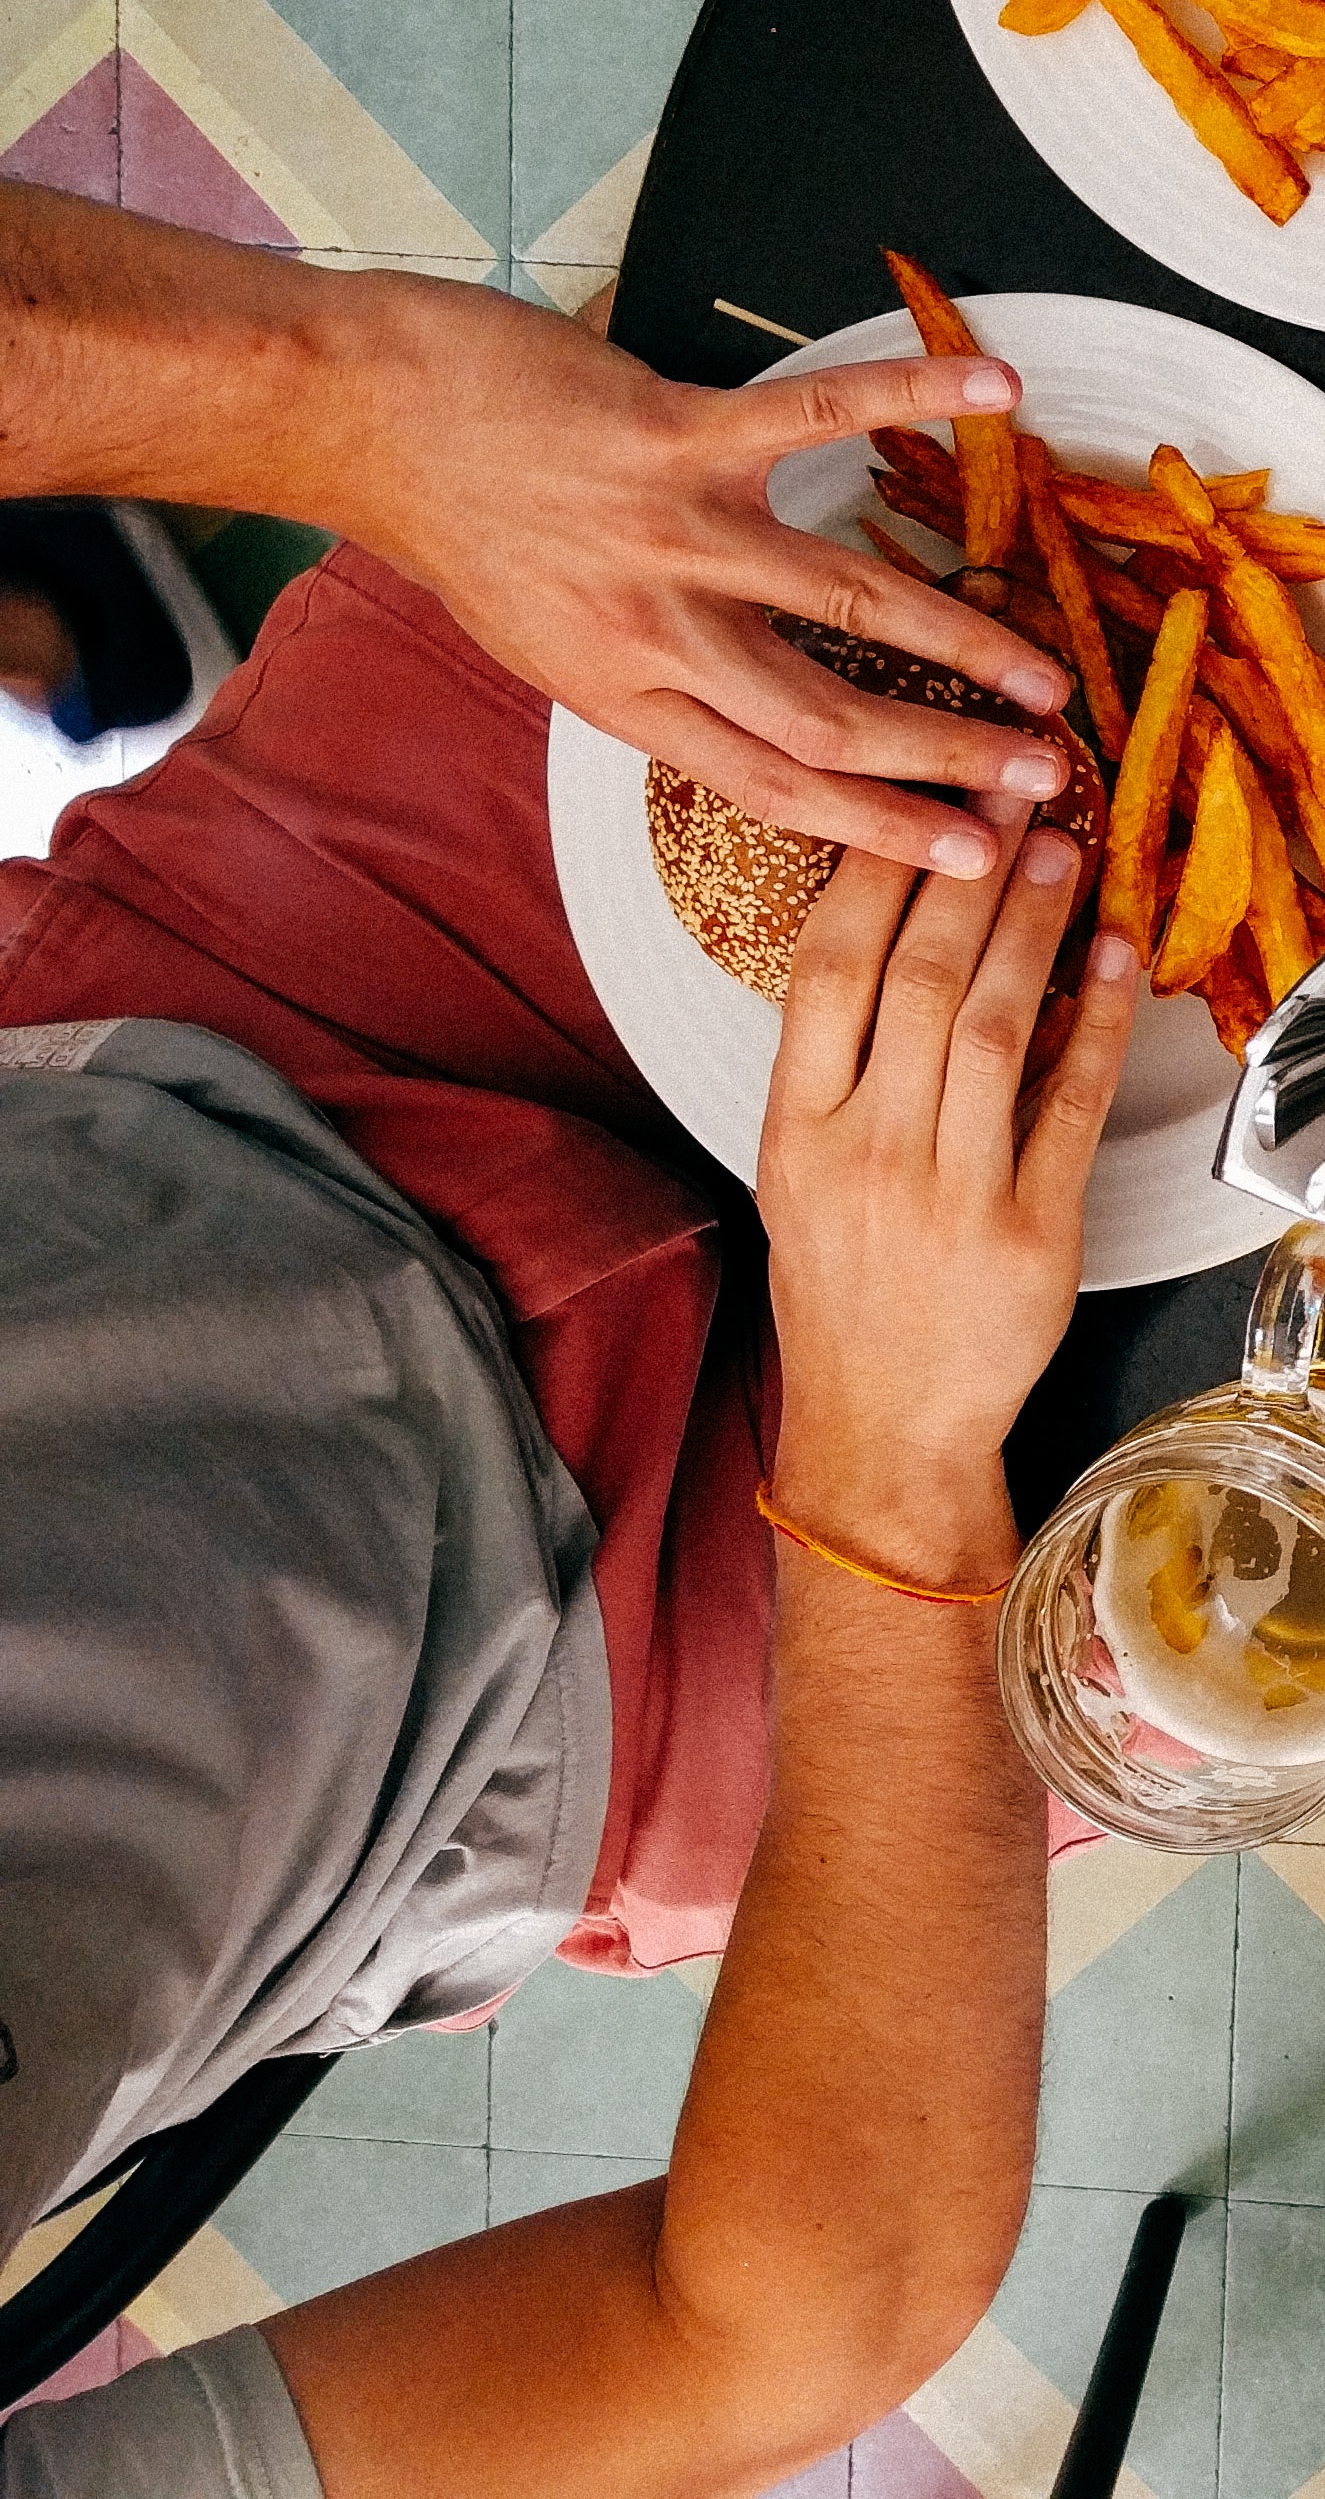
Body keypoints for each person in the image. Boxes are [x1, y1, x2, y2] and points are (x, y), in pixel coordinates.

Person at [0, 184, 1135, 2488]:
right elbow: (755, 2325)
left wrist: (346, 403)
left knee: (940, 287)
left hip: (200, 1045)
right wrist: (899, 1467)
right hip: (585, 1716)